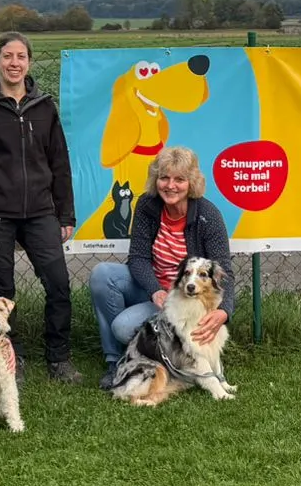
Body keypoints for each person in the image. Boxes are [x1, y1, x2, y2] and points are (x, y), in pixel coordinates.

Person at [0, 32, 79, 382]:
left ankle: (59, 357)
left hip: (40, 212)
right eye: (7, 56)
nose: (14, 63)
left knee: (58, 284)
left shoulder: (44, 108)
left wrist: (64, 213)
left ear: (29, 63)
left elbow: (59, 163)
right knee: (1, 294)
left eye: (21, 56)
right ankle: (13, 357)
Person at [90, 145, 235, 390]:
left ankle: (162, 357)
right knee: (102, 274)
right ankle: (116, 362)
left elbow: (225, 273)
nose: (170, 186)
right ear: (156, 179)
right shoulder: (148, 206)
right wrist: (155, 290)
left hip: (185, 299)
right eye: (164, 177)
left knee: (123, 328)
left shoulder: (208, 215)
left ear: (191, 183)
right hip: (154, 290)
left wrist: (225, 312)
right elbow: (137, 258)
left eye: (179, 179)